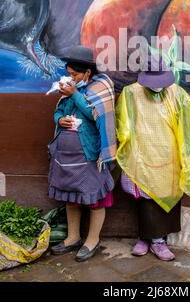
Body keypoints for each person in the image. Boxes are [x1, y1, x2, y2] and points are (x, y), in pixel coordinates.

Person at [115, 54, 190, 261]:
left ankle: (159, 240)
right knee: (145, 199)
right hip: (141, 155)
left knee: (166, 195)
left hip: (169, 155)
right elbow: (122, 124)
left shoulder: (176, 93)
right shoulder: (130, 93)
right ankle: (144, 238)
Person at [48, 46, 116, 262]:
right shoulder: (69, 88)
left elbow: (93, 114)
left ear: (87, 73)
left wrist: (75, 94)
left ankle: (92, 240)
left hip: (89, 157)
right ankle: (73, 237)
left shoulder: (100, 88)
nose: (71, 77)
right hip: (66, 159)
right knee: (71, 199)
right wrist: (60, 119)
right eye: (69, 73)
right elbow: (59, 109)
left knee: (95, 200)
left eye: (75, 74)